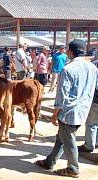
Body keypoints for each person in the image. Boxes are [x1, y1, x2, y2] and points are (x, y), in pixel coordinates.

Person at [36, 39, 98, 178]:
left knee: (69, 141)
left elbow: (62, 96)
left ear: (70, 51)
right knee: (62, 137)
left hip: (69, 112)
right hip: (83, 110)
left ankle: (73, 168)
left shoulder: (68, 69)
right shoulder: (93, 68)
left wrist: (54, 114)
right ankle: (49, 161)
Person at [78, 60, 98, 153]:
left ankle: (89, 145)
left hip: (96, 100)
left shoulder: (94, 65)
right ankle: (95, 142)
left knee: (91, 123)